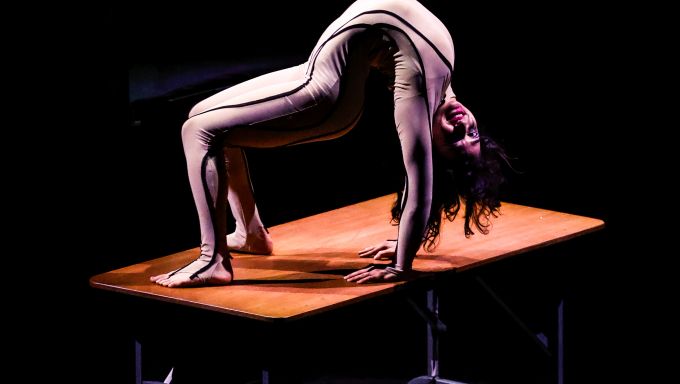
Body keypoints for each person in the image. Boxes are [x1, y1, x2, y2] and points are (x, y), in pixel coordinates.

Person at [151, 0, 507, 288]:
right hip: (315, 70)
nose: (462, 126)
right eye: (472, 135)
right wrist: (405, 240)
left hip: (324, 97)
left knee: (199, 132)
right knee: (202, 114)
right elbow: (423, 181)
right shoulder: (442, 77)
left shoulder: (418, 94)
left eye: (454, 139)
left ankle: (213, 260)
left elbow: (420, 184)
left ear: (432, 146)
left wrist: (402, 266)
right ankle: (251, 233)